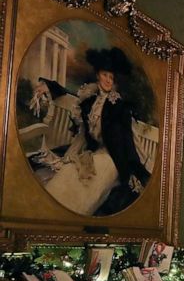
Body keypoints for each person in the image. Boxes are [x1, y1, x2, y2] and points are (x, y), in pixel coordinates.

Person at [33, 47, 150, 215]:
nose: (108, 80)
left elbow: (127, 142)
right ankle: (49, 211)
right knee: (69, 172)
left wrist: (133, 170)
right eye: (105, 75)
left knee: (92, 182)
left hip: (113, 159)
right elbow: (70, 94)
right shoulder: (89, 100)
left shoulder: (119, 106)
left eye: (111, 77)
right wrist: (49, 86)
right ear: (98, 75)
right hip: (94, 153)